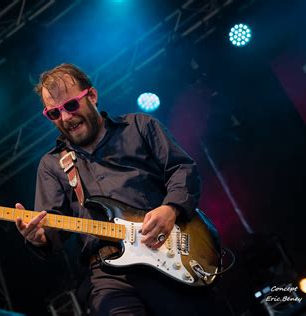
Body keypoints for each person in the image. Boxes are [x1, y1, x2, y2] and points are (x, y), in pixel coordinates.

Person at [14, 63, 227, 315]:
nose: (66, 117)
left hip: (168, 253)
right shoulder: (52, 165)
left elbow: (183, 170)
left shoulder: (140, 126)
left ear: (91, 95)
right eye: (54, 113)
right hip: (109, 275)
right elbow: (53, 228)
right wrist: (40, 238)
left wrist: (170, 209)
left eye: (71, 105)